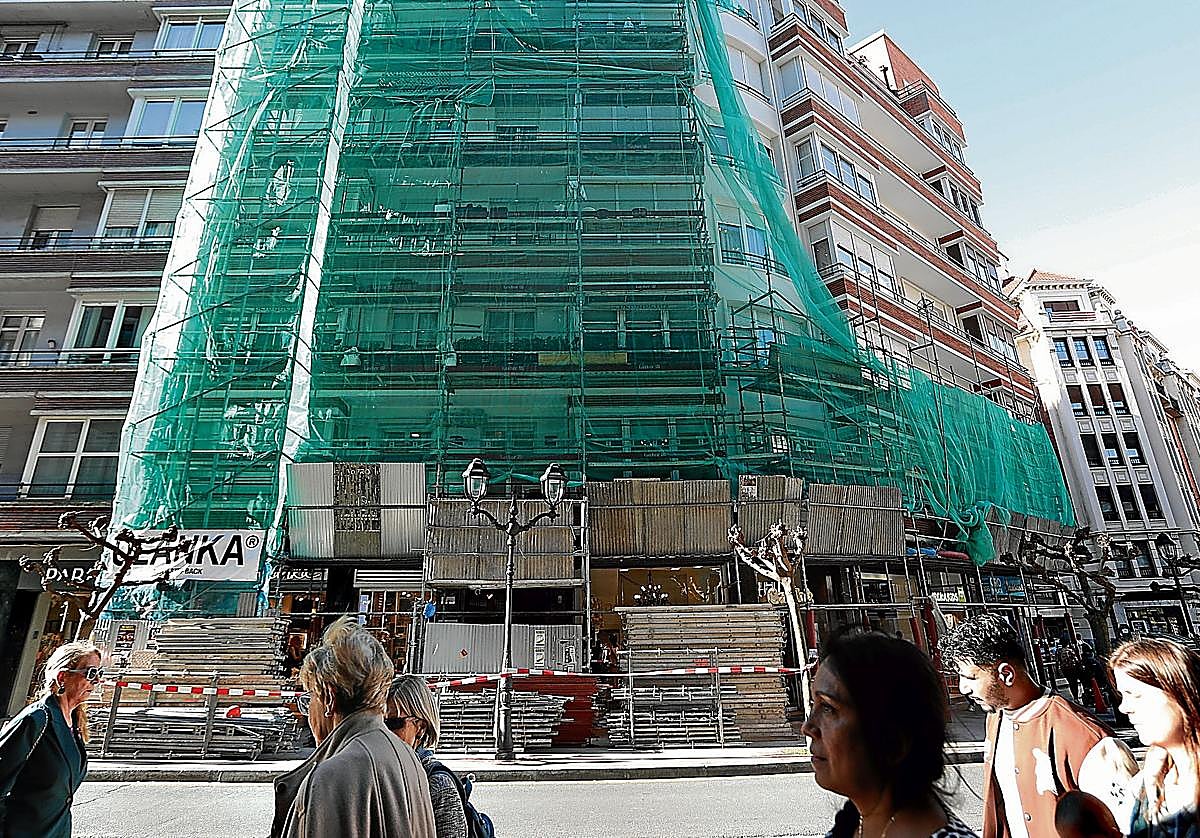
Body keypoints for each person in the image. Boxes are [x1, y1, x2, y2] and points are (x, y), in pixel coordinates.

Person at [939, 614, 1136, 838]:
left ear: (1006, 674)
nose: (964, 688)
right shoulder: (996, 717)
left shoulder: (1085, 736)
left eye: (971, 678)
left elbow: (1126, 824)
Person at [271, 617, 437, 838]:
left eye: (310, 697)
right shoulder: (408, 756)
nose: (308, 710)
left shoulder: (331, 777)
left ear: (328, 697)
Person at [802, 631, 978, 838]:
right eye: (815, 704)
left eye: (828, 708)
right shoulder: (853, 823)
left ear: (892, 739)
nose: (808, 728)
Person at [0, 640, 103, 837]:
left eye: (100, 674)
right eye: (91, 674)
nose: (97, 681)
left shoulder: (73, 723)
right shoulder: (36, 719)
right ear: (63, 676)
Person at [1109, 637, 1200, 838]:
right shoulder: (1144, 788)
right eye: (1122, 695)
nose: (1124, 707)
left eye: (1136, 695)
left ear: (1179, 692)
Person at [386, 675, 468, 838]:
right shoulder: (382, 773)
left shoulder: (438, 784)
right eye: (380, 723)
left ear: (421, 727)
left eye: (394, 724)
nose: (386, 732)